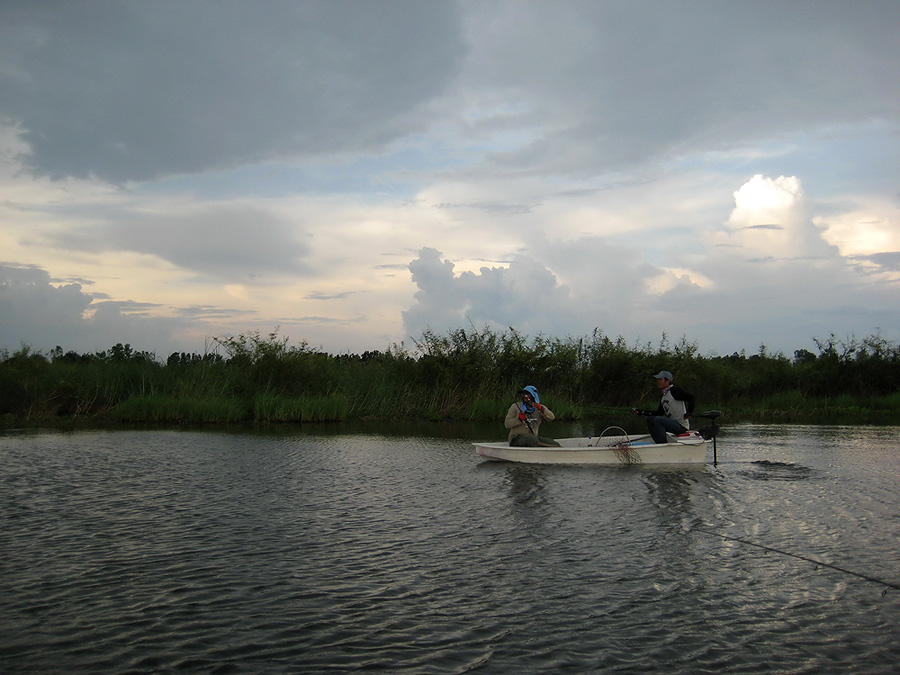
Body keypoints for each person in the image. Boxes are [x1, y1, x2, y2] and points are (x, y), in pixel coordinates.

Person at [632, 370, 696, 443]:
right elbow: (659, 413)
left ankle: (662, 444)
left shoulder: (674, 391)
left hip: (681, 426)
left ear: (667, 381)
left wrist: (689, 412)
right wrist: (642, 412)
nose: (658, 382)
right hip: (672, 424)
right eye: (658, 380)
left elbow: (691, 398)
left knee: (657, 420)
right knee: (649, 419)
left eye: (660, 379)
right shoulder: (663, 396)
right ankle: (657, 442)